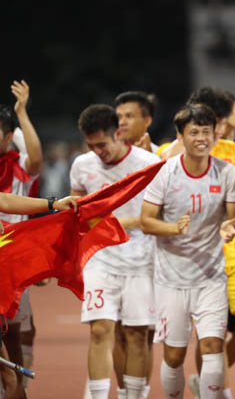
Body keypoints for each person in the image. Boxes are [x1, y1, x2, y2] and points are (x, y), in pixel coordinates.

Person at [140, 104, 235, 399]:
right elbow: (146, 221)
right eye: (194, 132)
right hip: (172, 279)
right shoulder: (165, 173)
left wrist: (229, 228)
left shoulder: (226, 172)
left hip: (211, 277)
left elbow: (233, 217)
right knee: (174, 354)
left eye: (206, 132)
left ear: (215, 134)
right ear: (180, 136)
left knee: (212, 346)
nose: (201, 138)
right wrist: (173, 229)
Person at [176, 87, 235, 399]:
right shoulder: (173, 154)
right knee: (210, 338)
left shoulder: (234, 150)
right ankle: (214, 391)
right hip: (200, 260)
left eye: (212, 123)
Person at [70, 104, 161, 399]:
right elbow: (79, 213)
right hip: (101, 260)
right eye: (90, 145)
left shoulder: (148, 163)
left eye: (102, 144)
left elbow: (157, 217)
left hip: (141, 261)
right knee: (99, 331)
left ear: (119, 134)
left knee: (135, 335)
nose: (98, 151)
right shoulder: (82, 166)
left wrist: (119, 223)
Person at [113, 90, 160, 399]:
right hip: (112, 256)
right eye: (119, 117)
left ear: (147, 121)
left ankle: (139, 393)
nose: (123, 122)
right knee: (116, 330)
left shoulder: (160, 159)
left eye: (130, 116)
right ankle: (123, 392)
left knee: (144, 333)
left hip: (150, 258)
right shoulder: (106, 158)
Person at [1, 80, 43, 399]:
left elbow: (36, 155)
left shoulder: (17, 168)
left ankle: (18, 391)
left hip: (13, 263)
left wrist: (20, 116)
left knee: (13, 338)